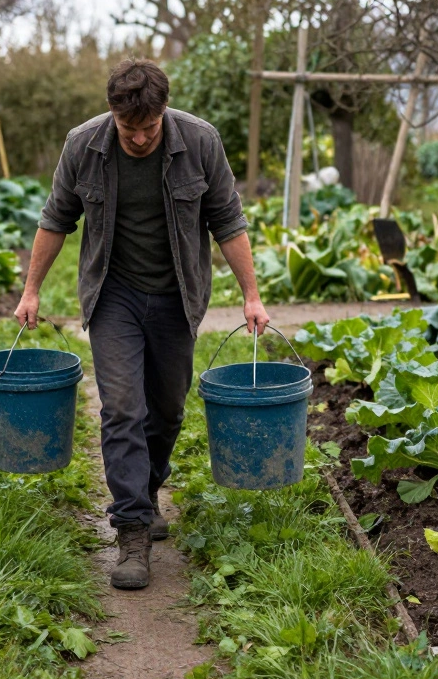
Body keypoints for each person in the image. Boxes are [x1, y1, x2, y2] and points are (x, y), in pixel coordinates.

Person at [15, 58, 269, 590]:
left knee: (169, 409)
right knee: (123, 408)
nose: (137, 138)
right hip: (114, 297)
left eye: (147, 128)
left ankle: (148, 488)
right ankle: (131, 528)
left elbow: (227, 218)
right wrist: (31, 289)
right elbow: (56, 218)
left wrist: (252, 295)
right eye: (127, 128)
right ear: (112, 115)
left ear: (163, 113)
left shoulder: (199, 141)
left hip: (178, 295)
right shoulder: (83, 145)